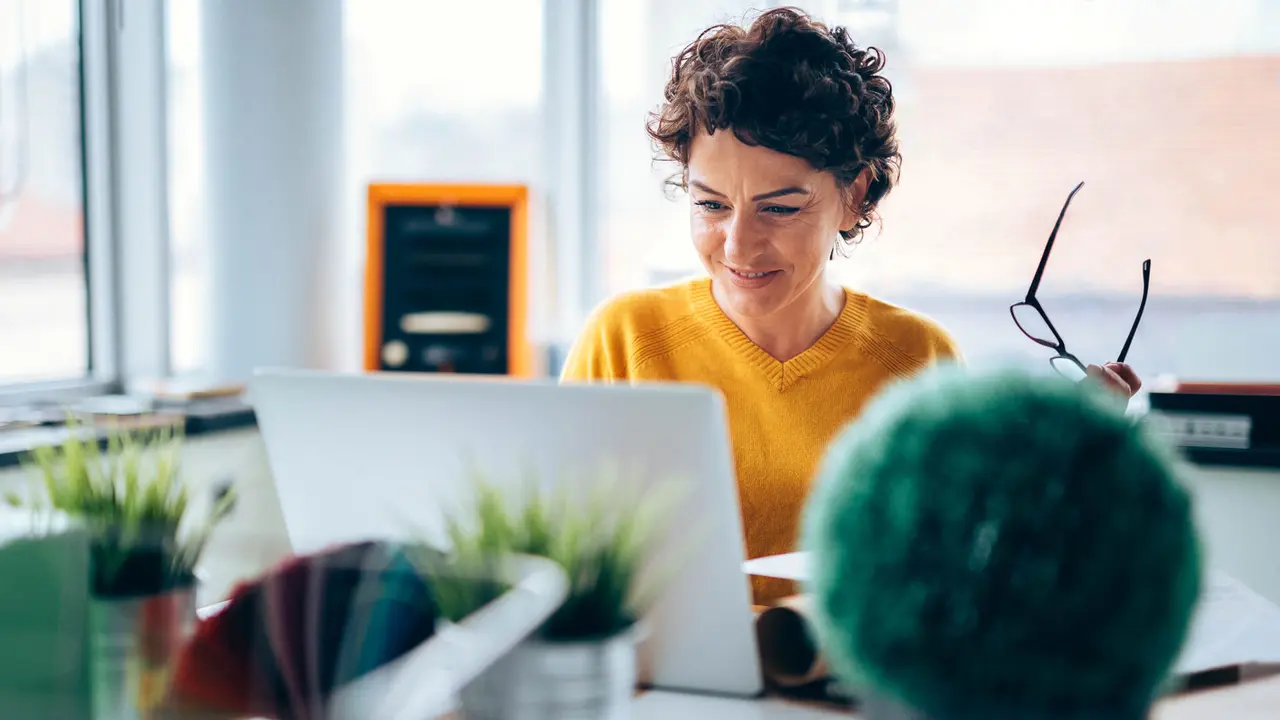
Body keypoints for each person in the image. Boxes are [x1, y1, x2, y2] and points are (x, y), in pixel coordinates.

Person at [559, 7, 1142, 604]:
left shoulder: (917, 359)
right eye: (710, 205)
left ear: (854, 195)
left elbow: (965, 571)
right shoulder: (624, 340)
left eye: (779, 208)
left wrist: (1072, 452)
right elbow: (558, 563)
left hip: (845, 693)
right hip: (663, 688)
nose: (737, 245)